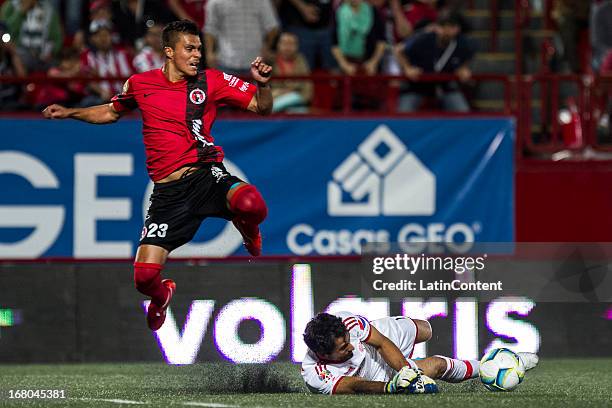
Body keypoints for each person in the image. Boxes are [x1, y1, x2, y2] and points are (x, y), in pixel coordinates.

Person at [42, 20, 273, 331]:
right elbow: (111, 111)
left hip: (205, 174)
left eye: (199, 50)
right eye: (189, 49)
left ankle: (248, 230)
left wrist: (263, 84)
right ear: (169, 51)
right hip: (168, 195)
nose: (196, 56)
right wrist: (70, 112)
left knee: (251, 204)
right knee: (144, 277)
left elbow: (262, 107)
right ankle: (162, 294)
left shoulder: (212, 81)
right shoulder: (140, 83)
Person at [302, 312, 539, 394]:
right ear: (323, 354)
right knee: (435, 365)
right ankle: (493, 366)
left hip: (378, 344)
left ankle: (502, 363)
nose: (350, 346)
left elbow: (383, 343)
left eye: (348, 342)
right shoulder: (315, 374)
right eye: (343, 349)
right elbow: (354, 386)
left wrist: (407, 371)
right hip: (373, 377)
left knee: (425, 329)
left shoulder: (348, 324)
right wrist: (391, 387)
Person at [395, 11, 474, 112]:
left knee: (463, 111)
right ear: (437, 27)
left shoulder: (463, 43)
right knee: (404, 112)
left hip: (445, 85)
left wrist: (463, 68)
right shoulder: (423, 38)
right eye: (444, 26)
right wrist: (407, 68)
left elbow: (466, 59)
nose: (448, 30)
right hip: (418, 83)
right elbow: (398, 50)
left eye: (453, 26)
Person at [204, 0, 279, 75]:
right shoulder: (215, 2)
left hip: (255, 63)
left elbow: (272, 27)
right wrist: (209, 53)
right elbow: (210, 29)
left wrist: (267, 47)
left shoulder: (262, 2)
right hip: (225, 61)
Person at [0, 0, 63, 73]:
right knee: (16, 57)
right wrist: (21, 12)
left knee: (59, 66)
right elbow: (5, 29)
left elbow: (57, 37)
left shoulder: (48, 8)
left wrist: (52, 51)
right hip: (19, 53)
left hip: (44, 56)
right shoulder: (10, 6)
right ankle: (24, 83)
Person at [272, 31, 312, 113]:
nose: (287, 47)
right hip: (275, 98)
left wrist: (291, 93)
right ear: (278, 45)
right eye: (284, 43)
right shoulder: (270, 61)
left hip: (297, 100)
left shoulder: (301, 60)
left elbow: (308, 89)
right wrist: (281, 92)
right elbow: (263, 90)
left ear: (297, 46)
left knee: (302, 110)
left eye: (291, 44)